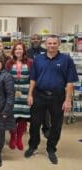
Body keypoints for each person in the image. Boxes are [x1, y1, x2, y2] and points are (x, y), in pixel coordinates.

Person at [25, 34, 78, 165]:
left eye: (54, 43)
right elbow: (33, 79)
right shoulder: (38, 59)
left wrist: (67, 100)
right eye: (49, 43)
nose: (52, 45)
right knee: (35, 123)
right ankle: (33, 145)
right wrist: (30, 95)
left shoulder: (66, 60)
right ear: (45, 44)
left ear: (58, 44)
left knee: (56, 125)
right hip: (39, 95)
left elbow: (70, 82)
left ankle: (51, 149)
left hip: (57, 97)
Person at [5, 42, 33, 150]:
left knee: (22, 118)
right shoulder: (9, 63)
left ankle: (19, 138)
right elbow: (6, 79)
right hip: (12, 94)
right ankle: (13, 137)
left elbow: (33, 79)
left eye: (20, 49)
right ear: (13, 51)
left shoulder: (30, 62)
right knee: (12, 118)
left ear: (24, 51)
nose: (18, 51)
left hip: (25, 94)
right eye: (16, 49)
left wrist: (31, 94)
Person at [26, 34, 50, 138]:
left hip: (42, 83)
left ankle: (46, 128)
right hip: (30, 82)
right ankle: (33, 128)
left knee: (45, 108)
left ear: (41, 40)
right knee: (33, 108)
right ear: (30, 40)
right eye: (33, 38)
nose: (35, 40)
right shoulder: (27, 52)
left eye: (37, 39)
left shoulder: (45, 52)